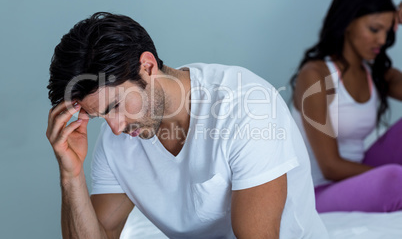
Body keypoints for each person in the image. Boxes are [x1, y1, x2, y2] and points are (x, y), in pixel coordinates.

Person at [46, 12, 328, 238]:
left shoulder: (246, 107)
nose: (115, 128)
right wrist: (71, 175)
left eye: (116, 106)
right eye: (101, 117)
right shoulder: (116, 140)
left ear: (147, 66)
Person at [291, 0, 402, 213]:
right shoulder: (315, 75)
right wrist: (386, 175)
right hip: (317, 189)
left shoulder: (377, 74)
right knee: (395, 180)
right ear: (348, 22)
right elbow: (330, 166)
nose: (382, 41)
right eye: (374, 29)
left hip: (360, 172)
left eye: (386, 30)